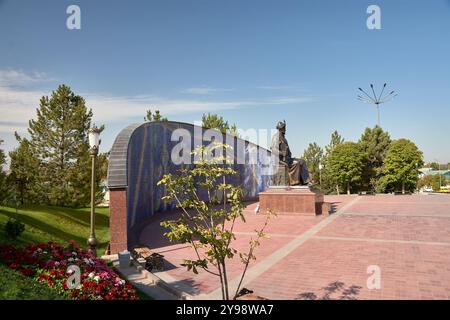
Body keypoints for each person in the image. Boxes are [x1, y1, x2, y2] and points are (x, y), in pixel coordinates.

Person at [271, 120, 310, 186]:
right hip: (281, 160)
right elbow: (274, 150)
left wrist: (289, 153)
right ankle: (295, 183)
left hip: (288, 159)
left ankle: (306, 181)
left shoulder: (284, 138)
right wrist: (282, 153)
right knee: (297, 163)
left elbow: (287, 150)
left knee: (302, 161)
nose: (285, 129)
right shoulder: (276, 137)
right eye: (284, 128)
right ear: (281, 129)